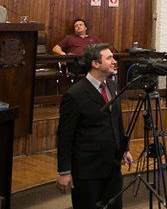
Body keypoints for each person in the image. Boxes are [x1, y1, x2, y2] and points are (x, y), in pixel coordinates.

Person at [56, 43, 132, 209]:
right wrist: (64, 171)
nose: (114, 61)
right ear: (95, 64)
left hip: (112, 166)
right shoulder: (75, 95)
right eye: (109, 58)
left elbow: (117, 121)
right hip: (88, 170)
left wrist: (124, 149)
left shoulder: (112, 86)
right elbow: (64, 136)